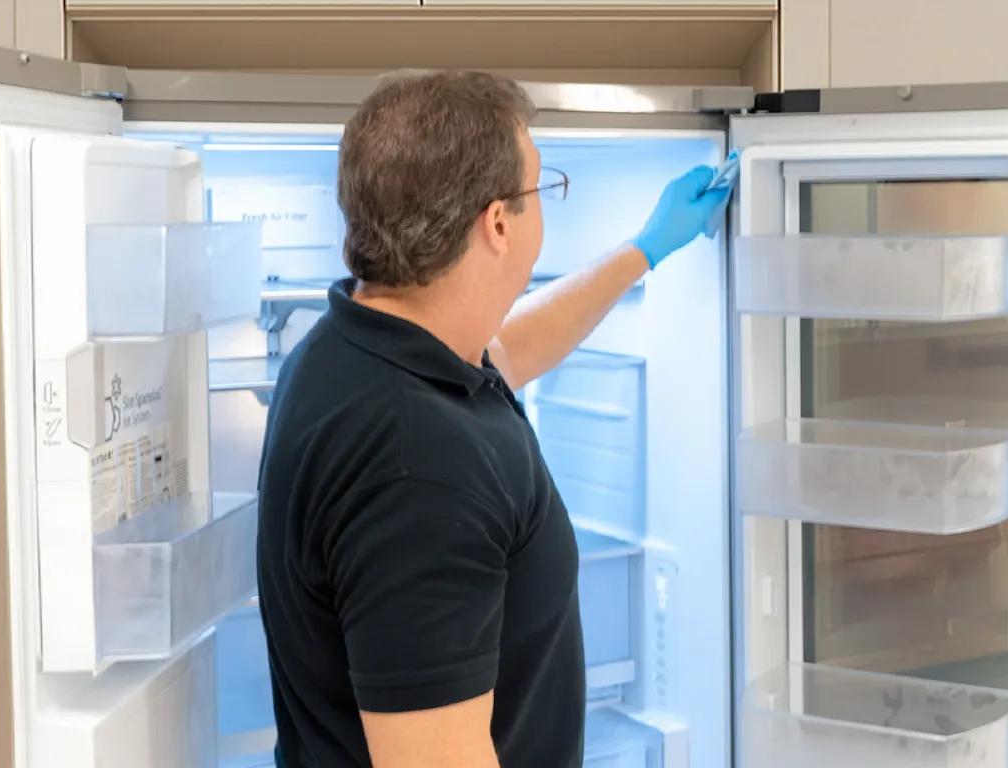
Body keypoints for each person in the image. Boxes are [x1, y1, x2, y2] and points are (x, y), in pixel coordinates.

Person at [256, 70, 730, 768]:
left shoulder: (352, 347)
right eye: (540, 189)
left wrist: (644, 251)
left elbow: (506, 350)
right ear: (498, 223)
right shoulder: (420, 468)